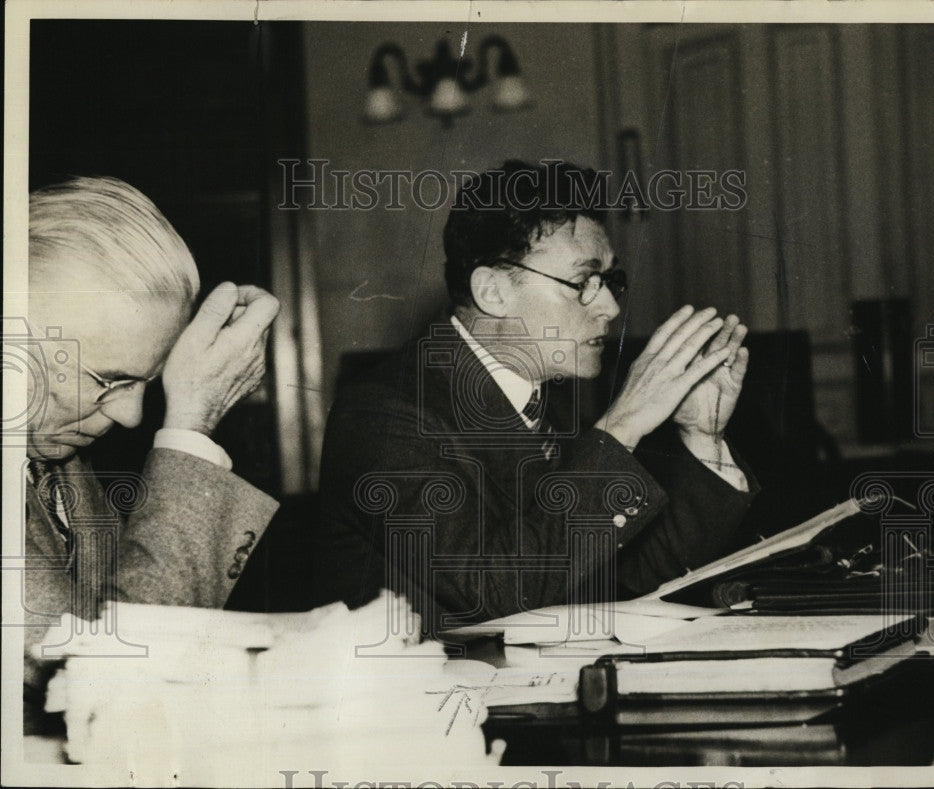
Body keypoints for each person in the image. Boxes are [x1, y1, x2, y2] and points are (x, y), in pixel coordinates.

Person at [318, 160, 756, 637]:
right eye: (581, 283)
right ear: (493, 292)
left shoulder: (550, 399)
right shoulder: (384, 416)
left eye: (611, 281)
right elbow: (500, 592)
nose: (610, 307)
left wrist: (702, 437)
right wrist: (620, 428)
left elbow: (623, 584)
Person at [18, 176, 281, 731]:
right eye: (108, 380)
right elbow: (114, 683)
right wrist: (189, 427)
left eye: (147, 384)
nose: (132, 416)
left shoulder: (55, 458)